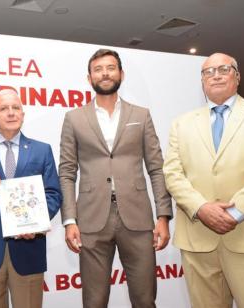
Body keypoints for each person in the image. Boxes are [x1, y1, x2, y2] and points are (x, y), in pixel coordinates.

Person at [163, 52, 244, 308]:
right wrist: (201, 208)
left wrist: (235, 212)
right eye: (208, 72)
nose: (215, 75)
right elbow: (172, 173)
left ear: (237, 76)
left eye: (223, 69)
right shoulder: (181, 124)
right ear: (202, 82)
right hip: (198, 239)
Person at [59, 48, 172, 308]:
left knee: (144, 298)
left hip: (138, 218)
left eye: (110, 68)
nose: (105, 73)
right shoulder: (74, 118)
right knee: (94, 300)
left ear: (121, 74)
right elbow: (66, 170)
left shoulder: (141, 115)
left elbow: (156, 167)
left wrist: (163, 216)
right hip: (91, 219)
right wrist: (69, 220)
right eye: (98, 69)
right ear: (89, 78)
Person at [0, 89, 62, 308]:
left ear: (23, 115)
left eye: (16, 108)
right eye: (4, 108)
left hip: (29, 247)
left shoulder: (42, 150)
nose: (11, 113)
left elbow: (53, 193)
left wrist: (36, 223)